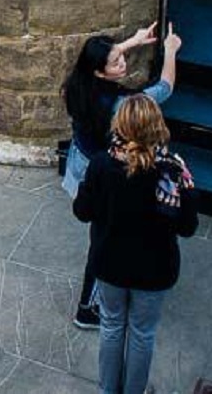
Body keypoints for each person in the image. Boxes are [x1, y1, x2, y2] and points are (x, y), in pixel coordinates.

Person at [73, 94, 199, 394]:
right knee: (143, 333)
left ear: (120, 125)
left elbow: (82, 211)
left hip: (110, 262)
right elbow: (187, 227)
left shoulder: (102, 165)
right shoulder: (172, 171)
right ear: (157, 127)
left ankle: (108, 390)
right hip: (155, 269)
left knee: (111, 326)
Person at [62, 20, 181, 328]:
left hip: (82, 163)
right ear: (100, 72)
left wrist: (132, 42)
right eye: (116, 62)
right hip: (103, 174)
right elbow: (165, 87)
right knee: (102, 239)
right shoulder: (120, 105)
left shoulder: (76, 85)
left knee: (101, 231)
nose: (123, 63)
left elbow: (98, 61)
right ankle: (87, 307)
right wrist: (170, 51)